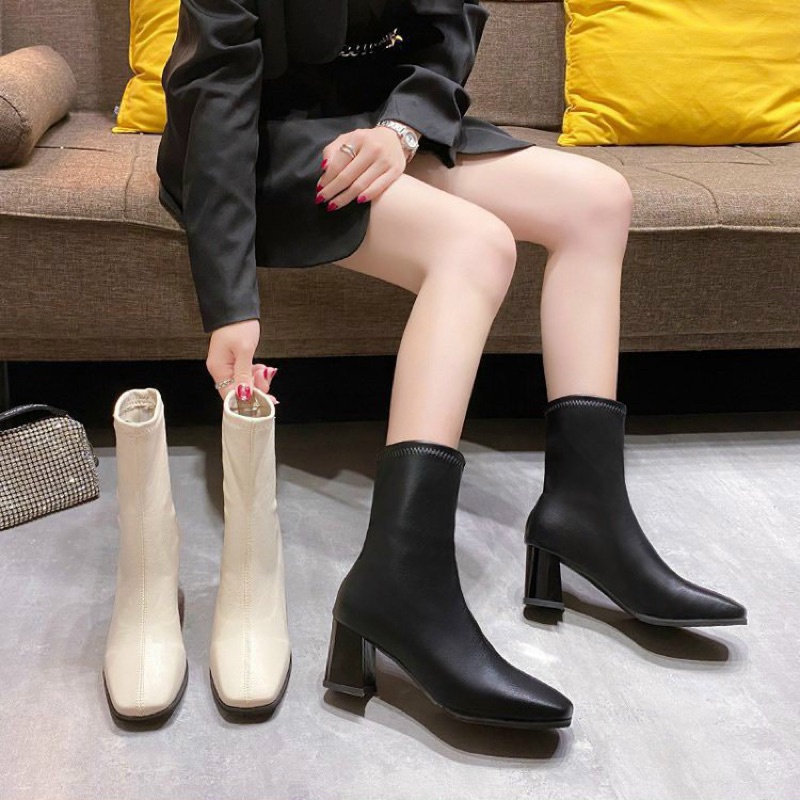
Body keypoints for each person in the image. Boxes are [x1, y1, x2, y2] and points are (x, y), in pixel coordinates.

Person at [154, 0, 745, 729]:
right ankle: (399, 582)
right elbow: (216, 97)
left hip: (378, 124)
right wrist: (229, 303)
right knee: (477, 245)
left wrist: (401, 130)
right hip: (258, 144)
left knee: (598, 200)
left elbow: (450, 27)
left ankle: (586, 517)